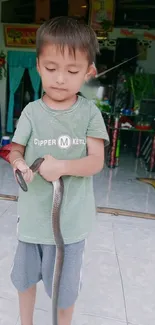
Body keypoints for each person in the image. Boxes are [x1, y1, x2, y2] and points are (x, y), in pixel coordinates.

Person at [9, 16, 109, 325]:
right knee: (25, 282)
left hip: (70, 227)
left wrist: (62, 166)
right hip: (31, 221)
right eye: (51, 69)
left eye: (72, 71)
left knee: (64, 294)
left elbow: (96, 160)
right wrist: (20, 165)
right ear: (38, 65)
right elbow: (15, 149)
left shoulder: (90, 114)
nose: (60, 79)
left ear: (88, 72)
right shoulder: (31, 112)